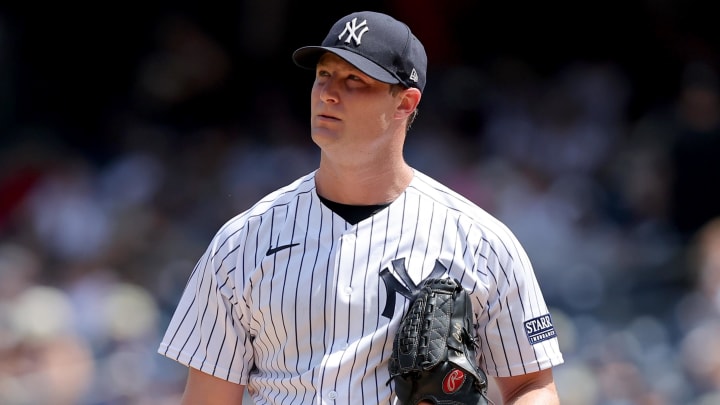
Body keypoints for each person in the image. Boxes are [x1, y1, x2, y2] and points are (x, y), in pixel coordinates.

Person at [158, 10, 564, 404]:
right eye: (324, 75)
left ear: (405, 103)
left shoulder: (481, 244)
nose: (329, 93)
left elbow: (530, 385)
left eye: (354, 79)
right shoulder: (242, 241)